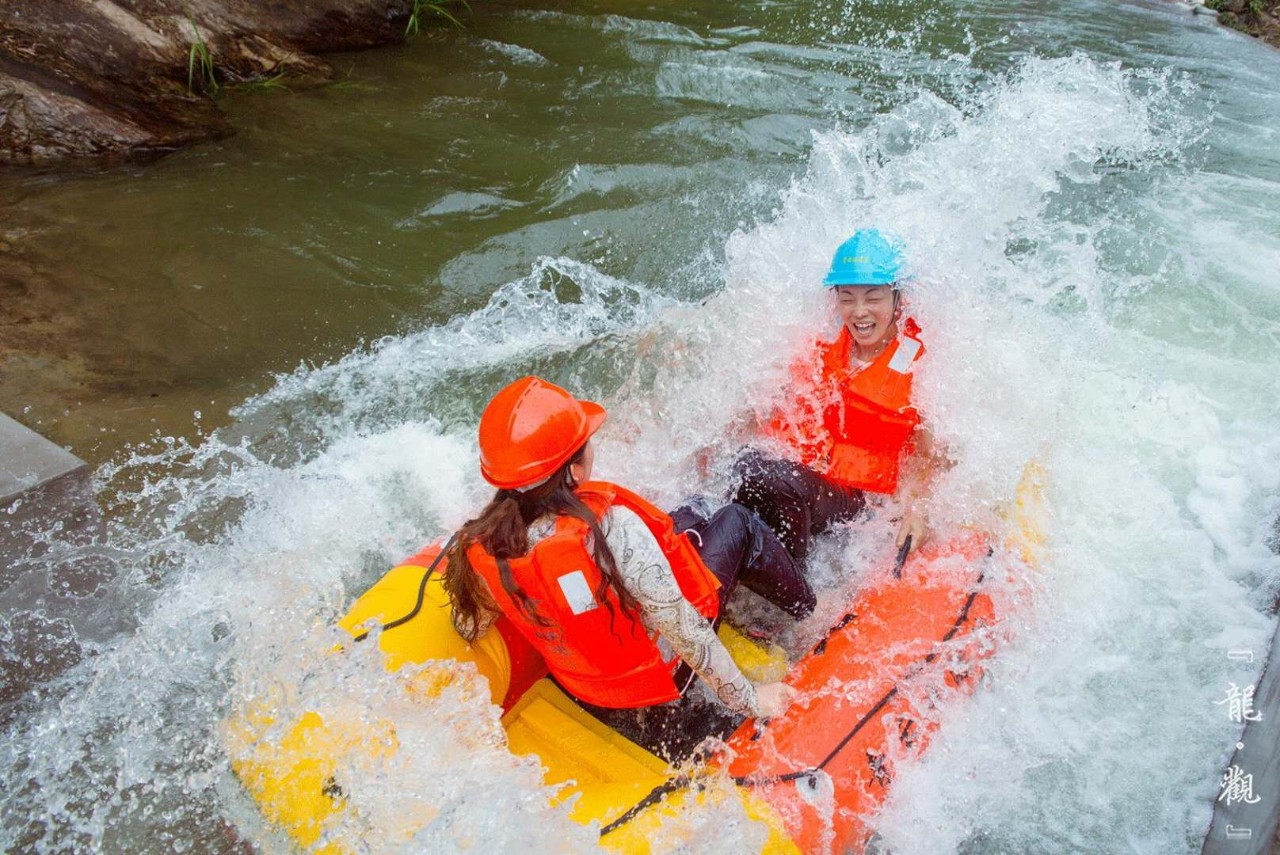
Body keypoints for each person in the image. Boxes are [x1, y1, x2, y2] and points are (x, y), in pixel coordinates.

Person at [443, 376, 812, 759]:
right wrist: (750, 699)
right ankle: (810, 610)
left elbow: (474, 621)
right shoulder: (612, 527)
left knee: (687, 515)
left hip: (588, 689)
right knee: (738, 522)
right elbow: (683, 628)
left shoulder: (479, 545)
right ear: (572, 471)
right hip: (662, 678)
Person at [732, 228, 948, 567]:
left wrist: (917, 510)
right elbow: (770, 410)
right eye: (847, 298)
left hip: (861, 504)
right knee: (744, 465)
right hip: (807, 483)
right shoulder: (822, 346)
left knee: (774, 479)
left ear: (898, 300)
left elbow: (931, 454)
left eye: (873, 298)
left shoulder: (922, 364)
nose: (859, 312)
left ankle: (793, 583)